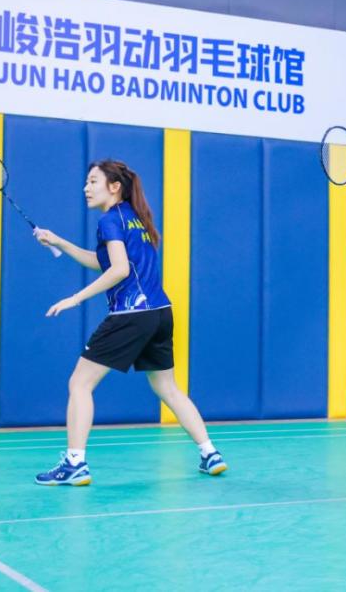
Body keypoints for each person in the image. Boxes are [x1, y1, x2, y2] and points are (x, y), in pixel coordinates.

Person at [32, 159, 227, 486]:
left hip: (130, 314)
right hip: (160, 313)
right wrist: (60, 242)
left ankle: (75, 463)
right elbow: (104, 262)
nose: (86, 188)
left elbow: (120, 270)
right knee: (167, 387)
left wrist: (75, 298)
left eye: (93, 181)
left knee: (80, 384)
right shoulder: (136, 218)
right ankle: (210, 453)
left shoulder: (110, 220)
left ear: (114, 187)